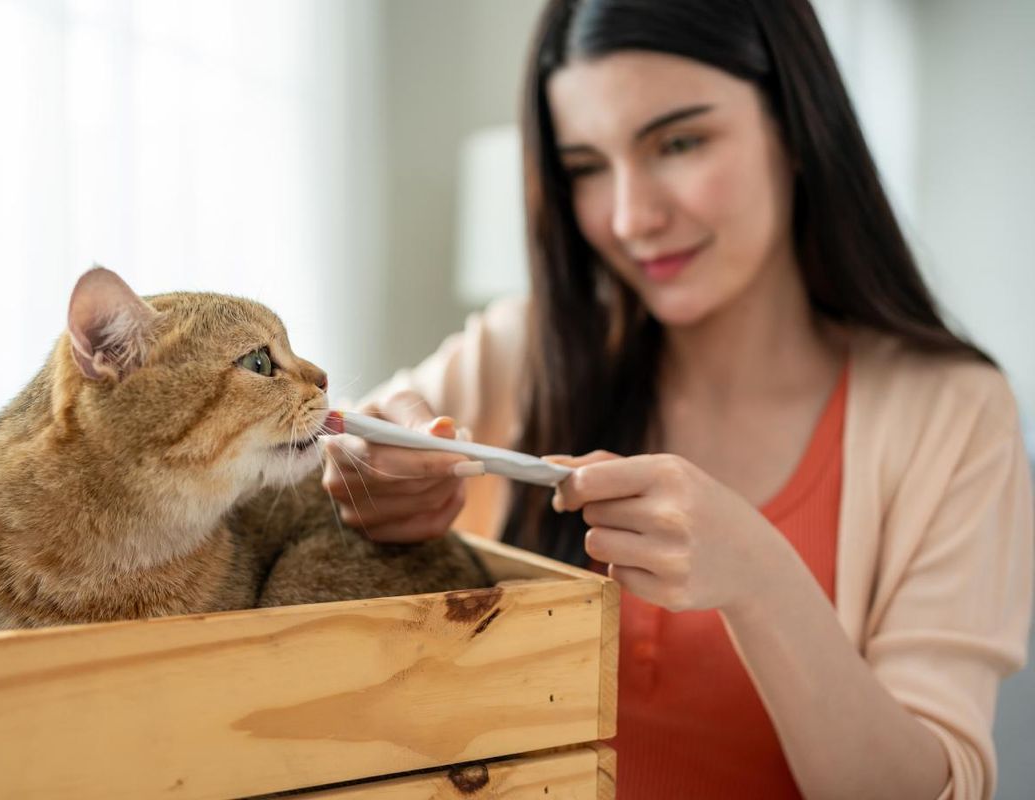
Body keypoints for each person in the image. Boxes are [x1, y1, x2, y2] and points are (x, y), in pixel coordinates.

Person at [321, 0, 1033, 797]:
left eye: (680, 142)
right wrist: (357, 469)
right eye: (587, 166)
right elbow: (346, 436)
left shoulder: (952, 414)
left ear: (797, 126)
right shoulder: (526, 351)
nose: (630, 217)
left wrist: (763, 581)